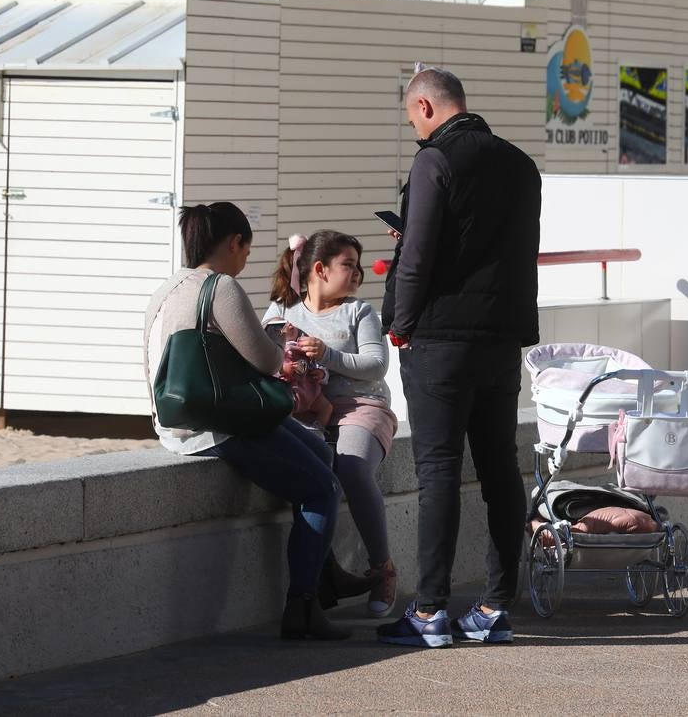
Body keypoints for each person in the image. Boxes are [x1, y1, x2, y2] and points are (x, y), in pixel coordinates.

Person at [376, 66, 541, 648]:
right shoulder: (521, 164)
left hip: (441, 339)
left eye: (413, 121)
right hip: (500, 339)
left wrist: (400, 321)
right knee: (500, 469)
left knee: (439, 471)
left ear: (424, 106)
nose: (416, 133)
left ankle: (429, 612)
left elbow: (418, 253)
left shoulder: (434, 161)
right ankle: (496, 606)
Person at [143, 203, 356, 641]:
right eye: (246, 249)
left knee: (318, 450)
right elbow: (264, 359)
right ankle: (303, 605)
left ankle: (325, 574)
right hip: (218, 423)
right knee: (321, 488)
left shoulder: (166, 287)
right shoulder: (221, 287)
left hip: (178, 420)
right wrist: (286, 354)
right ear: (235, 243)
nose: (245, 260)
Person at [265, 230, 400, 616]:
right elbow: (262, 356)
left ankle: (382, 567)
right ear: (320, 269)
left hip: (361, 405)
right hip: (301, 409)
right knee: (304, 469)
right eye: (349, 265)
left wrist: (327, 355)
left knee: (353, 467)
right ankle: (323, 574)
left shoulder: (360, 312)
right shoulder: (282, 311)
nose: (357, 273)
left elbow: (376, 364)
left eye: (359, 266)